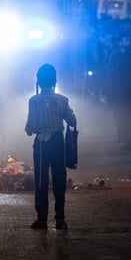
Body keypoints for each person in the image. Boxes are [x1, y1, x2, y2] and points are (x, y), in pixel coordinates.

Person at [25, 63, 77, 231]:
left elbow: (29, 129)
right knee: (59, 181)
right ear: (54, 81)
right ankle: (60, 219)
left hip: (41, 144)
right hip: (57, 143)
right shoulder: (62, 100)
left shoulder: (33, 101)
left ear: (38, 82)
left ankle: (42, 220)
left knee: (41, 182)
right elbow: (72, 121)